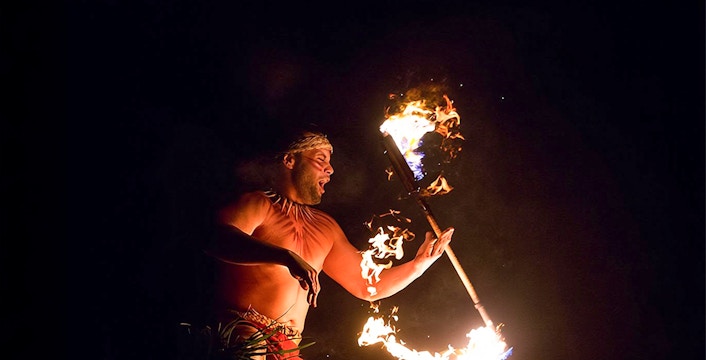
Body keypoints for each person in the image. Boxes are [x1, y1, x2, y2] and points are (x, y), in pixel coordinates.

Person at [205, 129, 454, 359]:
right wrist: (286, 257)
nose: (330, 169)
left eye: (330, 162)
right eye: (320, 159)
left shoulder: (326, 227)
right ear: (290, 160)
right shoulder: (259, 204)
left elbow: (368, 286)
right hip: (244, 335)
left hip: (289, 347)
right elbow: (215, 239)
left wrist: (419, 264)